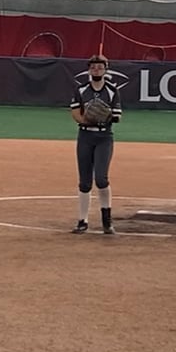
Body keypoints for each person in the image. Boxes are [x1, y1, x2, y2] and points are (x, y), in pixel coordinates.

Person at [69, 54, 124, 234]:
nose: (96, 70)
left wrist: (105, 116)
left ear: (106, 70)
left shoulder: (112, 90)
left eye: (100, 67)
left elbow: (118, 116)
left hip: (104, 137)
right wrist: (87, 119)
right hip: (85, 136)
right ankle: (82, 220)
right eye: (93, 67)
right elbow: (75, 113)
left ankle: (107, 220)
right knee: (85, 182)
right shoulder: (81, 89)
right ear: (89, 70)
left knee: (101, 179)